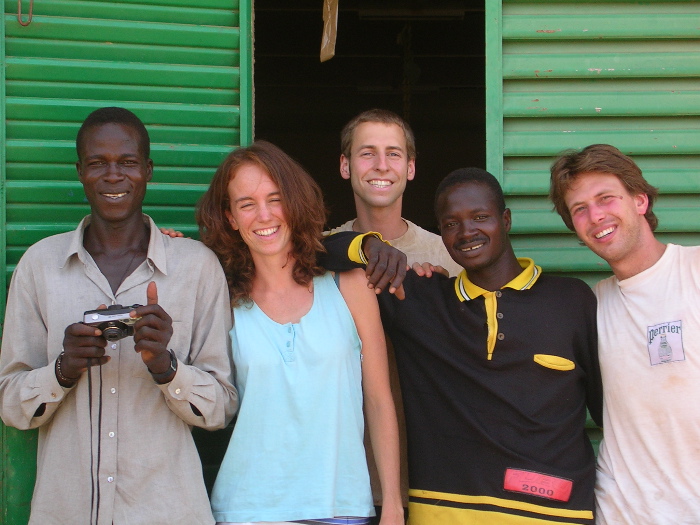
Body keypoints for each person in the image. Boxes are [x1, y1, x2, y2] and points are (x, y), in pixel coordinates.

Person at [323, 167, 603, 524]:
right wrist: (368, 245)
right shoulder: (418, 299)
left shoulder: (571, 301)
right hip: (443, 512)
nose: (467, 231)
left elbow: (609, 413)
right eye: (451, 223)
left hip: (553, 512)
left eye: (480, 217)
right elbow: (313, 251)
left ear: (506, 220)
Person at [0, 107, 238, 525]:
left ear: (148, 170)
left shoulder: (195, 267)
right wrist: (61, 370)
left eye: (127, 162)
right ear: (79, 171)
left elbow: (222, 407)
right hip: (65, 513)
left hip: (168, 512)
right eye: (97, 163)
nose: (113, 175)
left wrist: (167, 368)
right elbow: (10, 404)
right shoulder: (38, 265)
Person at [196, 141, 403, 525]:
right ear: (230, 218)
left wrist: (391, 502)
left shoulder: (349, 286)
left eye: (275, 199)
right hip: (247, 510)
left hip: (341, 506)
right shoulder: (220, 299)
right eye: (246, 204)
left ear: (294, 202)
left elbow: (378, 400)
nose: (264, 215)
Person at [549, 143, 700, 524]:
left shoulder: (695, 270)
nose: (595, 215)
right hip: (623, 514)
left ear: (640, 201)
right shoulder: (589, 306)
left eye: (606, 198)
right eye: (579, 209)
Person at [330, 108, 461, 276]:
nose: (382, 166)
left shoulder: (447, 254)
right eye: (368, 153)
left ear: (410, 168)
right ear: (345, 165)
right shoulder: (316, 250)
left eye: (393, 154)